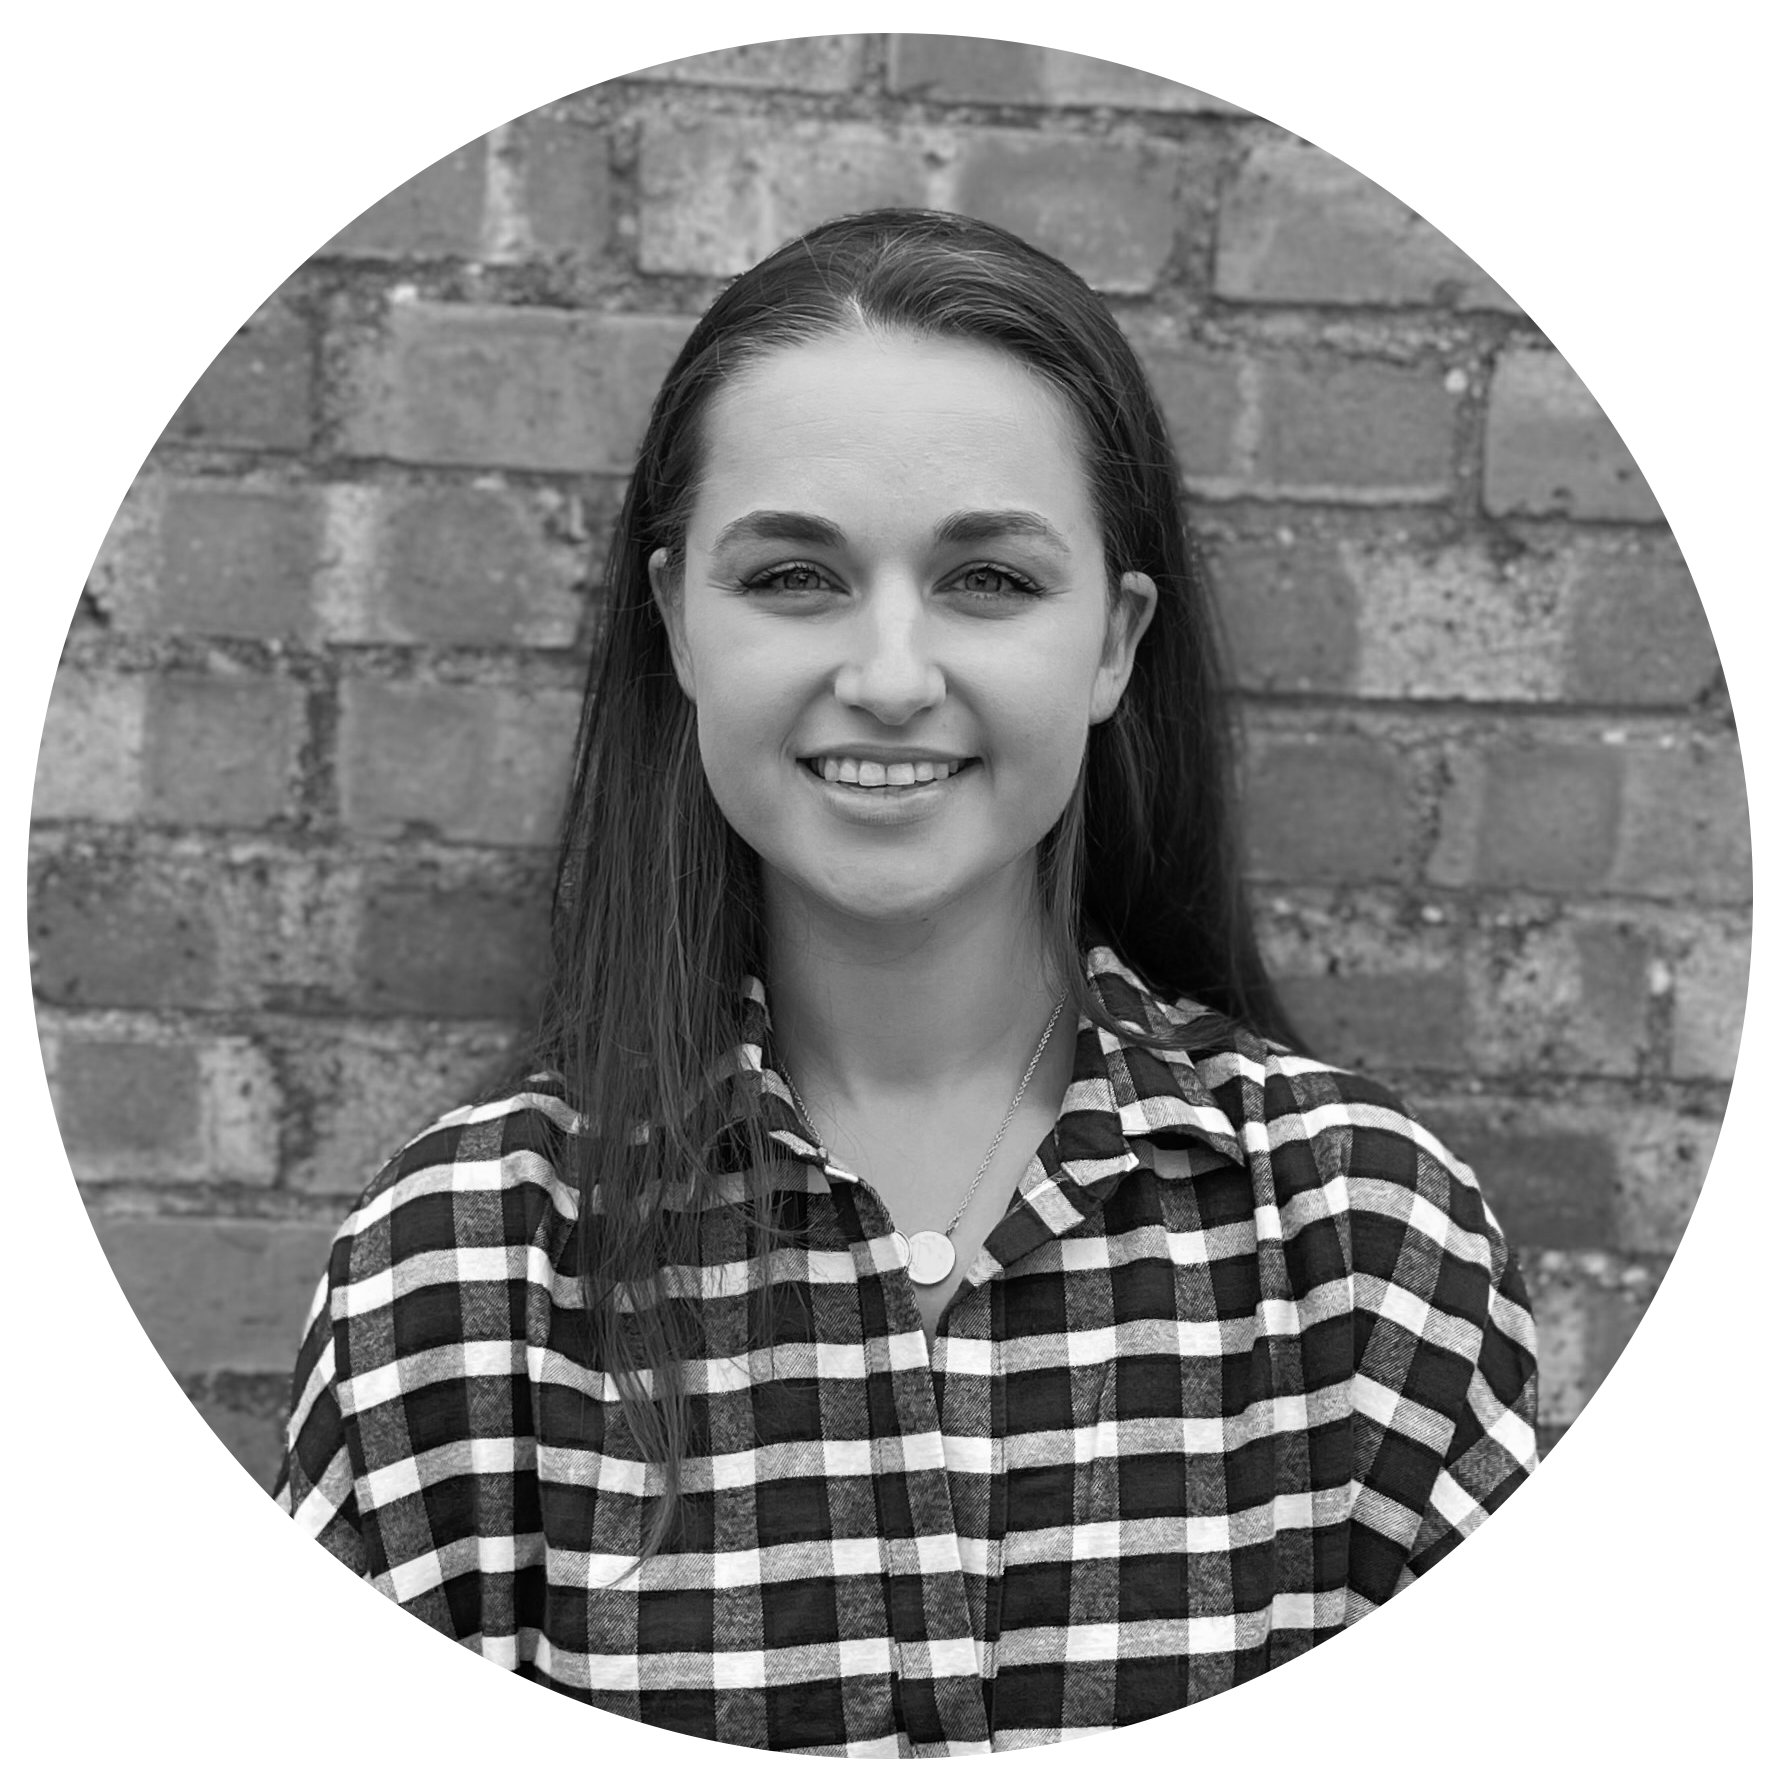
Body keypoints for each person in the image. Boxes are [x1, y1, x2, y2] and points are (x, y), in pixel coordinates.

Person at [219, 209, 1589, 1758]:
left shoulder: (1366, 1247)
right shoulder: (456, 1274)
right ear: (677, 624)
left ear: (1115, 642)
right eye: (794, 575)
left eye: (988, 579)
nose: (887, 675)